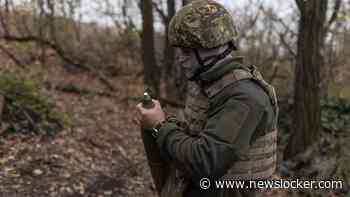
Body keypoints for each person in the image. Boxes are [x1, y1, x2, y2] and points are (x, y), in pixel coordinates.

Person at [136, 0, 279, 196]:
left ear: (211, 47)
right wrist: (161, 123)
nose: (180, 58)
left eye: (186, 51)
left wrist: (161, 126)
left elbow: (204, 163)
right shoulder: (207, 83)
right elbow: (198, 136)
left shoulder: (246, 97)